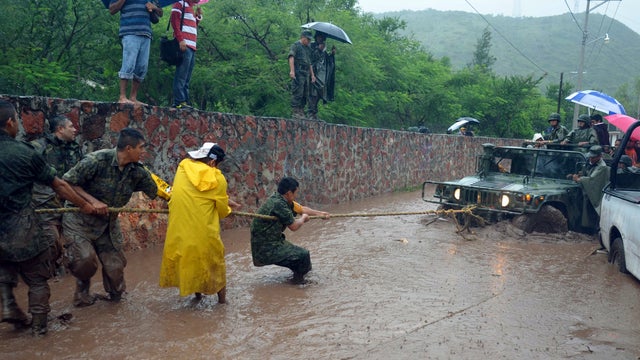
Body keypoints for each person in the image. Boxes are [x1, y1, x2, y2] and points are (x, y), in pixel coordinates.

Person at [0, 100, 96, 335]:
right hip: (22, 225)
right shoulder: (25, 152)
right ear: (10, 122)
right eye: (18, 122)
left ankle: (8, 304)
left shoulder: (70, 149)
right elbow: (59, 185)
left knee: (4, 262)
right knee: (37, 278)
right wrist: (84, 204)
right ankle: (39, 330)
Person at [61, 128, 158, 307]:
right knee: (84, 260)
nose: (144, 151)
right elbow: (67, 183)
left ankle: (116, 300)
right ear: (129, 148)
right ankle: (82, 292)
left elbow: (159, 191)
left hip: (107, 224)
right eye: (141, 147)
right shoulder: (96, 160)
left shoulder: (138, 171)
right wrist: (92, 201)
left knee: (115, 268)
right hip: (79, 220)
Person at [159, 142, 240, 303]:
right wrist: (231, 210)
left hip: (179, 236)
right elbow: (222, 211)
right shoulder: (217, 178)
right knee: (216, 265)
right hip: (204, 236)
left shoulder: (183, 166)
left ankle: (198, 297)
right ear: (212, 163)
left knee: (193, 264)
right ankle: (222, 302)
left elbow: (196, 195)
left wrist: (225, 200)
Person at [30, 116, 83, 277]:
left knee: (74, 243)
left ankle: (68, 276)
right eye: (70, 126)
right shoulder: (38, 147)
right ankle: (46, 275)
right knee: (51, 242)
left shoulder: (75, 148)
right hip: (44, 203)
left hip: (70, 202)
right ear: (60, 129)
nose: (75, 129)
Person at [250, 177, 329, 284]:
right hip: (265, 247)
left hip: (274, 241)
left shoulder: (282, 199)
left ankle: (297, 279)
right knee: (303, 255)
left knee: (298, 259)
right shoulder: (279, 204)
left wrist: (320, 214)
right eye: (295, 193)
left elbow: (301, 209)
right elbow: (294, 226)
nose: (296, 196)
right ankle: (300, 284)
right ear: (288, 193)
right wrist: (303, 219)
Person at [109, 0, 163, 104]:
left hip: (146, 33)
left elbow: (159, 15)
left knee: (142, 67)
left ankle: (133, 97)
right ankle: (122, 96)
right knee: (129, 63)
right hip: (130, 32)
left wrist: (154, 8)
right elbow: (112, 10)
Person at [567, 145, 609, 228]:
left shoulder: (602, 167)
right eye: (590, 157)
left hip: (595, 193)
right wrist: (577, 175)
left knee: (590, 211)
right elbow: (587, 172)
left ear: (599, 156)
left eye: (593, 157)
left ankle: (590, 228)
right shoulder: (590, 163)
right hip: (586, 191)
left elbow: (592, 180)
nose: (591, 159)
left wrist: (579, 179)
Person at [170, 0, 202, 109]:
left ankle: (185, 101)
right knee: (181, 75)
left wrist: (197, 17)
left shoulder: (191, 8)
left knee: (187, 77)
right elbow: (174, 21)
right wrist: (180, 39)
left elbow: (191, 27)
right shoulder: (180, 4)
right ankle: (179, 101)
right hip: (185, 44)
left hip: (192, 45)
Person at [308, 31, 336, 120]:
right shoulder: (312, 46)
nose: (321, 39)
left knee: (320, 93)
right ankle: (311, 112)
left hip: (322, 76)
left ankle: (314, 112)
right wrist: (318, 49)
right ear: (316, 37)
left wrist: (332, 54)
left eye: (322, 38)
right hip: (313, 74)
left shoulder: (323, 48)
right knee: (313, 93)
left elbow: (327, 61)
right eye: (320, 37)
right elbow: (310, 59)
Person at [288, 30, 316, 119]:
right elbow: (291, 57)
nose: (308, 41)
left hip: (306, 72)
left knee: (305, 93)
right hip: (298, 71)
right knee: (298, 92)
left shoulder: (308, 49)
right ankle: (295, 111)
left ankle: (301, 110)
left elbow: (310, 63)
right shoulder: (296, 45)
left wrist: (312, 75)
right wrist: (292, 71)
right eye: (307, 39)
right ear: (303, 37)